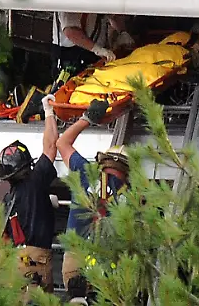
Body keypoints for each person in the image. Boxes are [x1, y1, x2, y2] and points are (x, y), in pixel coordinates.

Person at [56, 98, 130, 302]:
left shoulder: (85, 173)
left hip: (75, 261)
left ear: (102, 162)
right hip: (108, 268)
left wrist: (87, 118)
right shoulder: (132, 197)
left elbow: (62, 143)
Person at [0, 94, 59, 298]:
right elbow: (51, 146)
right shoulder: (36, 181)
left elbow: (2, 238)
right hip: (37, 259)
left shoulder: (8, 200)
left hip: (12, 261)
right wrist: (48, 111)